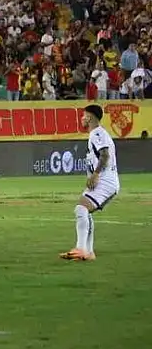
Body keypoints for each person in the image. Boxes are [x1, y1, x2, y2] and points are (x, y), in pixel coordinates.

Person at [61, 105, 121, 261]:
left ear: (89, 117)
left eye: (83, 115)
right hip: (107, 181)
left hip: (105, 181)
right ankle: (88, 252)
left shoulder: (97, 133)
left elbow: (105, 155)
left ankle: (81, 248)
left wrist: (95, 174)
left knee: (81, 208)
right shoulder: (97, 134)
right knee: (84, 211)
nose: (81, 118)